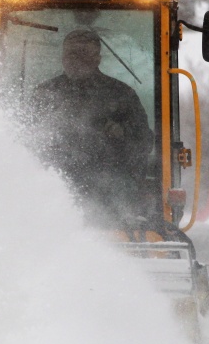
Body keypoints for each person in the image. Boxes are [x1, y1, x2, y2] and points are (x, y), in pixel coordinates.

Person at [26, 29, 154, 228]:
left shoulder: (121, 94)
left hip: (111, 190)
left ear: (97, 59)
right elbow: (23, 141)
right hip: (55, 188)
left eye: (83, 53)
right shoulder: (44, 95)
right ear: (63, 58)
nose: (76, 59)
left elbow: (145, 141)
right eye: (71, 53)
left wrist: (123, 132)